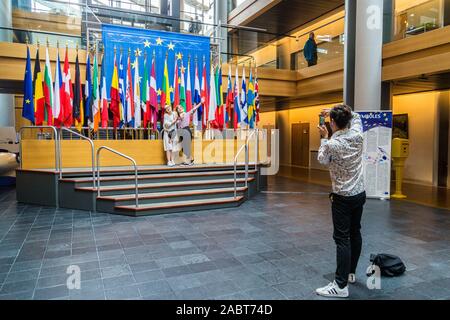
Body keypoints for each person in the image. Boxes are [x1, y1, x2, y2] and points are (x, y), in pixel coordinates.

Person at [315, 104, 366, 298]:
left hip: (342, 197)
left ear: (333, 123)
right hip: (359, 193)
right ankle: (350, 273)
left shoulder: (331, 144)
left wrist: (323, 138)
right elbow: (357, 116)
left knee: (342, 239)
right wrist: (340, 112)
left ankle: (340, 285)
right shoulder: (357, 134)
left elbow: (322, 159)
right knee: (355, 232)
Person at [175, 98, 205, 165]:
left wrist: (200, 102)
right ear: (177, 111)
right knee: (184, 147)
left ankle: (189, 160)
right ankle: (189, 160)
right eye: (178, 108)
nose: (180, 108)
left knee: (186, 147)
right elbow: (178, 125)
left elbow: (194, 109)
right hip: (181, 132)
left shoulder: (186, 114)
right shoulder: (178, 118)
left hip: (186, 130)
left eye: (180, 107)